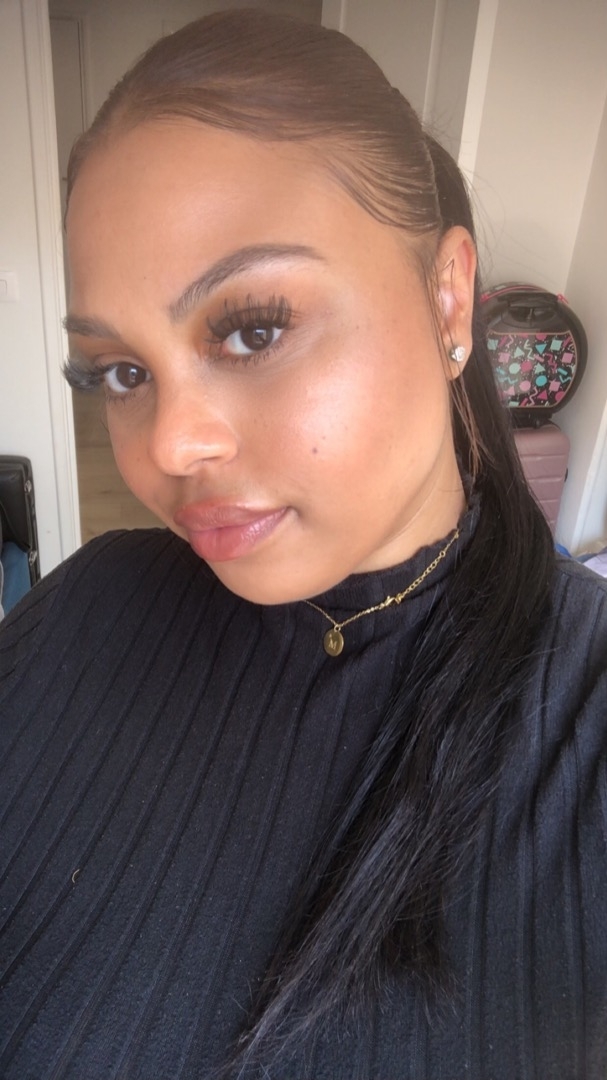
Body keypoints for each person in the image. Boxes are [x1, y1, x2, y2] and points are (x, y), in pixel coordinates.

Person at [0, 9, 605, 1079]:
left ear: (447, 297)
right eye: (120, 373)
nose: (171, 447)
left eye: (253, 328)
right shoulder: (80, 610)